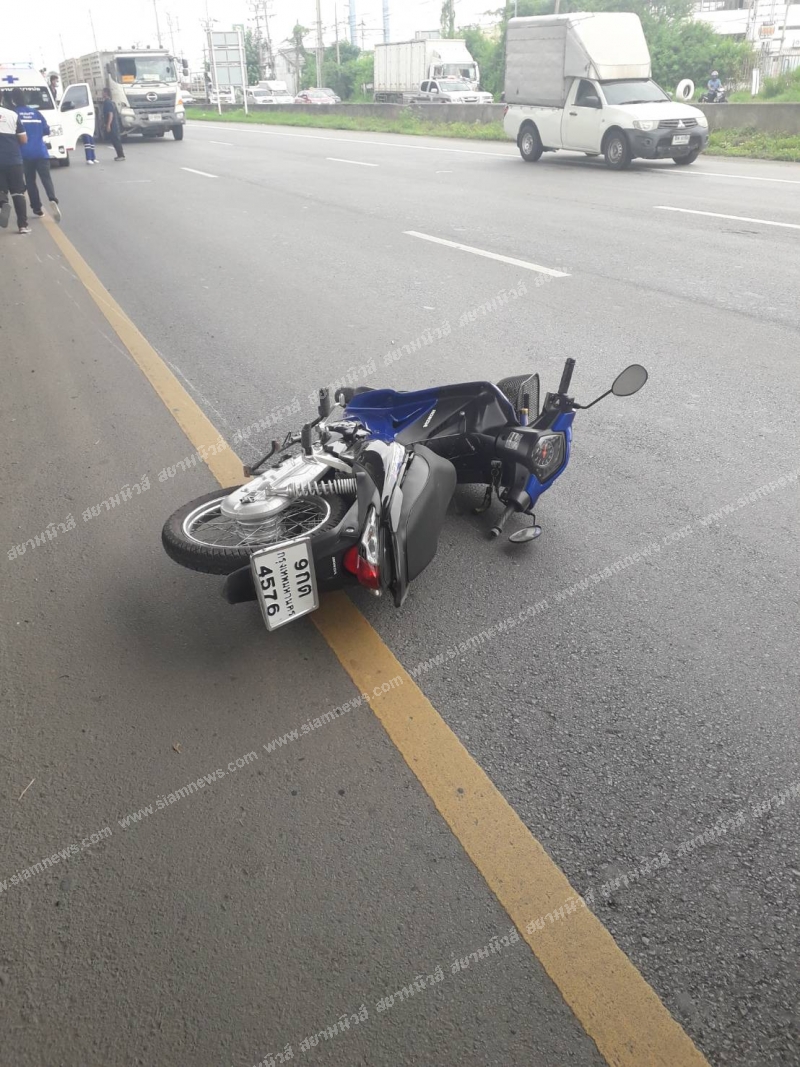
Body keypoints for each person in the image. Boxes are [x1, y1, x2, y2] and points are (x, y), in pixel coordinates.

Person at [10, 87, 61, 222]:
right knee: (46, 178)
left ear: (13, 100)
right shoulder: (36, 113)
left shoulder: (14, 114)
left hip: (25, 153)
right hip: (41, 151)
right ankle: (52, 198)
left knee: (30, 181)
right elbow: (47, 130)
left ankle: (37, 208)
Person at [0, 101, 29, 234]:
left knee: (1, 189)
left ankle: (3, 202)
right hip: (13, 159)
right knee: (18, 192)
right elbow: (23, 139)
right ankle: (22, 226)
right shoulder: (13, 115)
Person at [101, 88, 125, 160]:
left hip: (113, 124)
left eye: (103, 92)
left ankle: (121, 155)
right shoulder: (109, 102)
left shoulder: (108, 102)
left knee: (116, 140)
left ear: (106, 93)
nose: (102, 94)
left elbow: (110, 114)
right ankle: (119, 155)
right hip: (113, 123)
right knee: (114, 140)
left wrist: (108, 125)